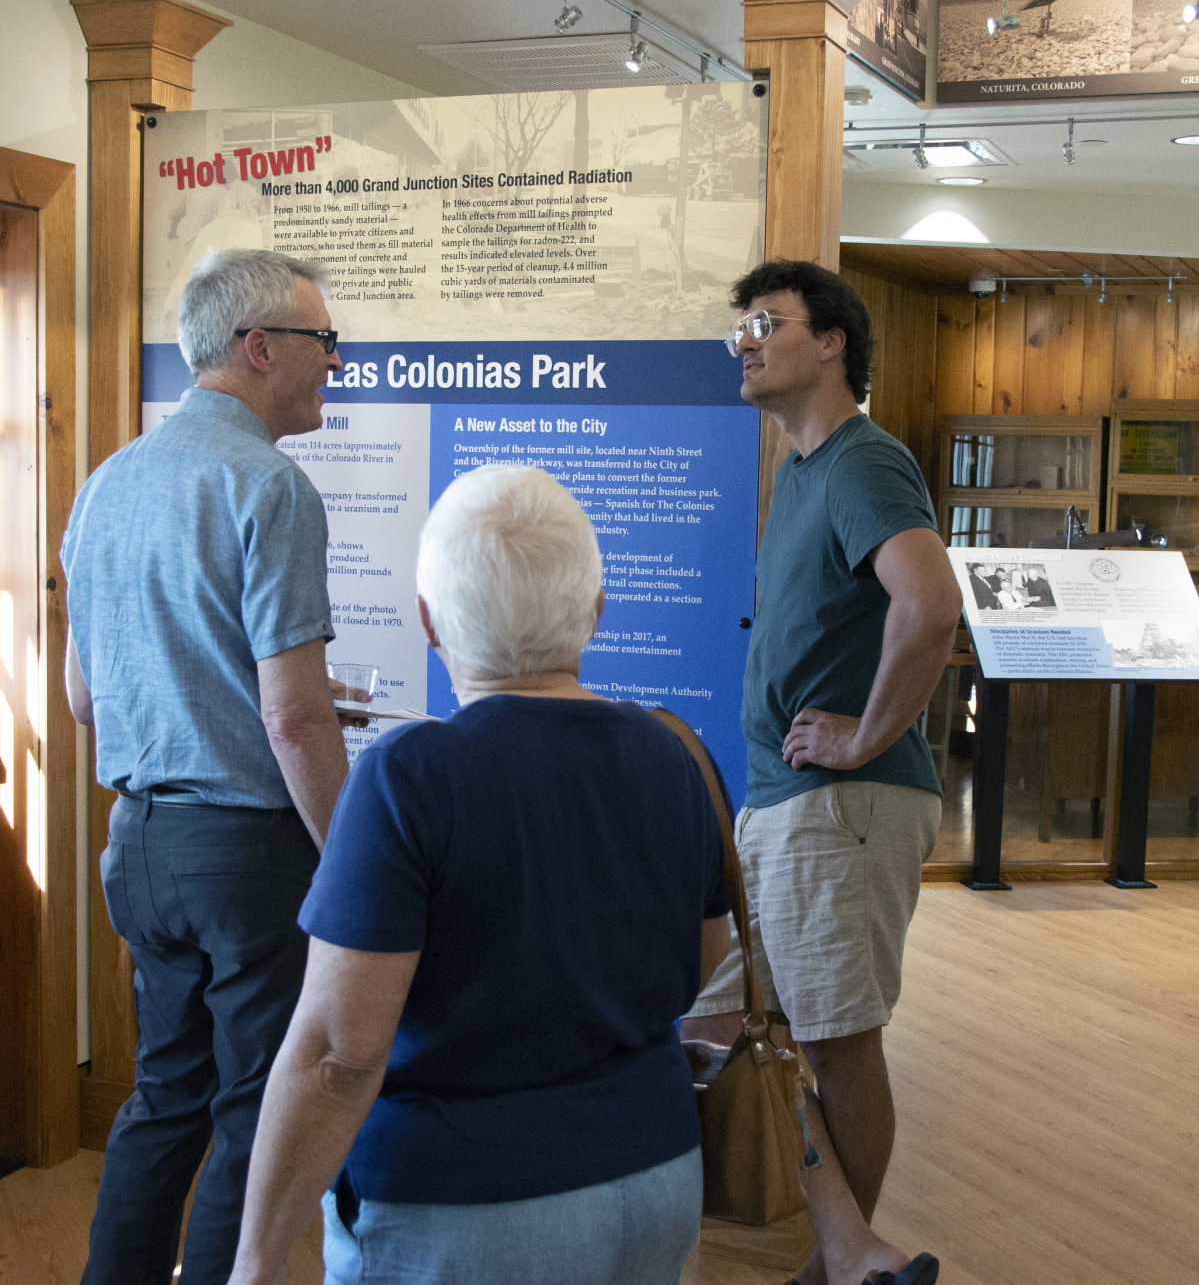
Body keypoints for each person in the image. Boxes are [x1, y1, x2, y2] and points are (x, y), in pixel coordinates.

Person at [224, 466, 733, 1285]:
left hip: (461, 1206)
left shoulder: (408, 777)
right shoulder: (675, 757)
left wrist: (255, 1260)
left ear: (428, 622)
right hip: (656, 1180)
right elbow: (704, 966)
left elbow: (337, 1056)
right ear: (597, 610)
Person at [62, 248, 357, 1285]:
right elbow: (293, 717)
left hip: (137, 845)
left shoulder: (104, 483)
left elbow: (86, 700)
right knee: (255, 1113)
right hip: (245, 853)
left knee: (162, 1099)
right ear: (260, 347)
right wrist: (356, 855)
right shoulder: (270, 485)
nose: (336, 362)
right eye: (325, 342)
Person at [682, 260, 963, 1285]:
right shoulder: (805, 469)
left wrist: (863, 735)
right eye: (739, 329)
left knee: (838, 1039)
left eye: (768, 322)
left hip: (843, 803)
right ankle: (851, 1248)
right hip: (789, 805)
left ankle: (843, 1263)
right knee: (721, 1026)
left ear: (833, 340)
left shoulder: (861, 461)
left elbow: (930, 605)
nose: (746, 342)